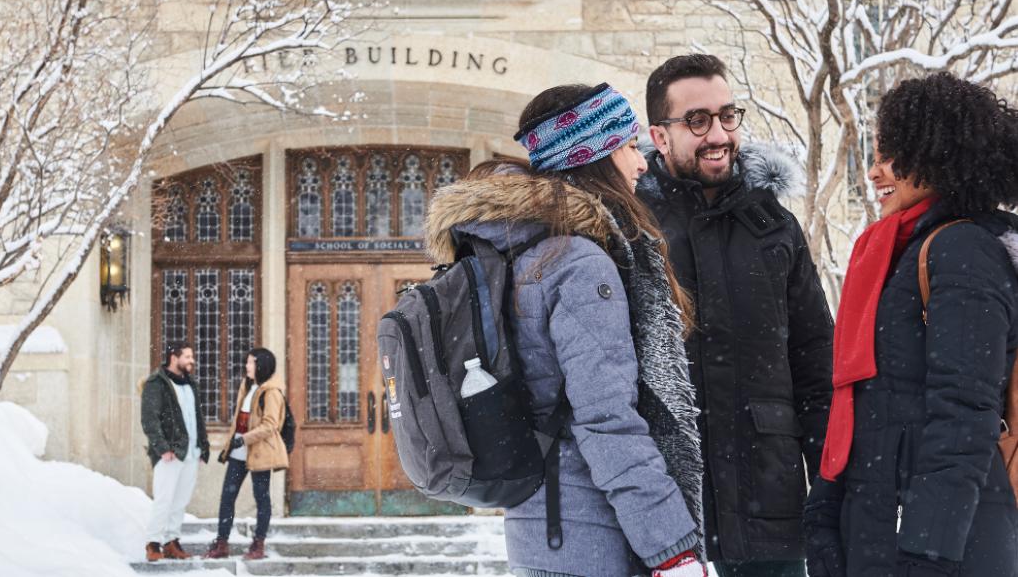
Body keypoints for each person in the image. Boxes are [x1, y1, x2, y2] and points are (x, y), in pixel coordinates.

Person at [426, 83, 706, 577]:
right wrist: (674, 551)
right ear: (595, 155)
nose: (641, 162)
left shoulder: (523, 255)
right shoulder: (577, 264)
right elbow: (605, 420)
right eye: (626, 145)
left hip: (543, 530)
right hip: (591, 539)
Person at [803, 72, 1018, 577]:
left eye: (887, 157)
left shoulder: (962, 251)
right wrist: (827, 516)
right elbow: (868, 405)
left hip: (946, 545)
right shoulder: (905, 253)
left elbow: (962, 415)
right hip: (884, 527)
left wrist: (927, 554)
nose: (874, 173)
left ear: (934, 156)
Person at [641, 54, 833, 577]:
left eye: (728, 116)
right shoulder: (633, 228)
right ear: (660, 137)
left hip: (769, 507)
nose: (719, 134)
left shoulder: (774, 226)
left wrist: (831, 489)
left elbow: (816, 363)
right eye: (697, 120)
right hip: (667, 514)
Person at [203, 347, 289, 561]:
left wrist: (245, 438)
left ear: (260, 365)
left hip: (259, 453)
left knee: (262, 498)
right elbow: (238, 419)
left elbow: (270, 425)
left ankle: (258, 544)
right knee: (227, 497)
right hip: (238, 453)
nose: (246, 366)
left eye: (250, 362)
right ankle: (222, 542)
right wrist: (233, 442)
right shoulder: (247, 386)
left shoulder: (272, 392)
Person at [140, 341, 210, 562]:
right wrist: (162, 448)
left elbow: (197, 418)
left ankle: (172, 541)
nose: (192, 361)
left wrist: (202, 447)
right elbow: (149, 419)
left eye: (192, 356)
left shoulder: (191, 384)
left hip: (191, 452)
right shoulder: (156, 383)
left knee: (180, 500)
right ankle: (153, 543)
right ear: (174, 357)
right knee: (164, 498)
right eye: (187, 356)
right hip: (170, 453)